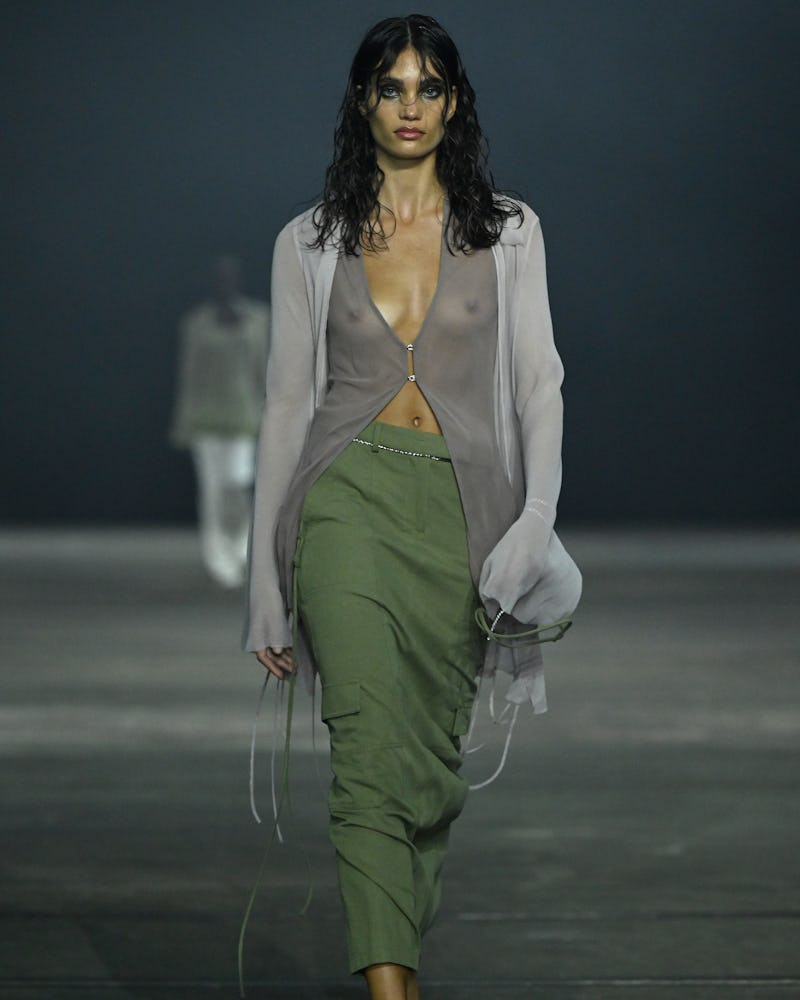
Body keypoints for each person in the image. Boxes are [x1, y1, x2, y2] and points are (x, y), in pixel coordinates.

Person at [243, 14, 581, 1000]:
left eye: (426, 88)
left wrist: (538, 514)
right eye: (389, 88)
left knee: (426, 766)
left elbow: (538, 380)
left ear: (453, 102)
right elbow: (280, 408)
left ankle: (399, 946)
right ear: (362, 101)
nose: (407, 107)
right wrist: (265, 585)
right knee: (363, 745)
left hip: (462, 512)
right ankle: (392, 991)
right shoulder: (308, 241)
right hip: (341, 501)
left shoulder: (509, 230)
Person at [170, 255, 270, 588]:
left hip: (243, 414)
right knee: (212, 490)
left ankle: (241, 547)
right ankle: (218, 558)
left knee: (238, 482)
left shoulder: (257, 319)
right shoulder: (196, 323)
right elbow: (188, 375)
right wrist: (182, 422)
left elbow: (263, 370)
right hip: (205, 417)